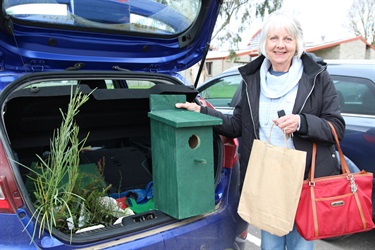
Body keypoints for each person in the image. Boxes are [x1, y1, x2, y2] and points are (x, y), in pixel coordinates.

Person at [175, 10, 345, 250]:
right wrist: (202, 112)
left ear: (297, 43)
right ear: (264, 43)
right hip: (266, 177)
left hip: (304, 178)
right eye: (273, 38)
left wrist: (302, 122)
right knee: (271, 245)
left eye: (288, 39)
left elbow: (336, 127)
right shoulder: (251, 79)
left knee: (301, 245)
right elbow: (235, 126)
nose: (280, 45)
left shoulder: (316, 77)